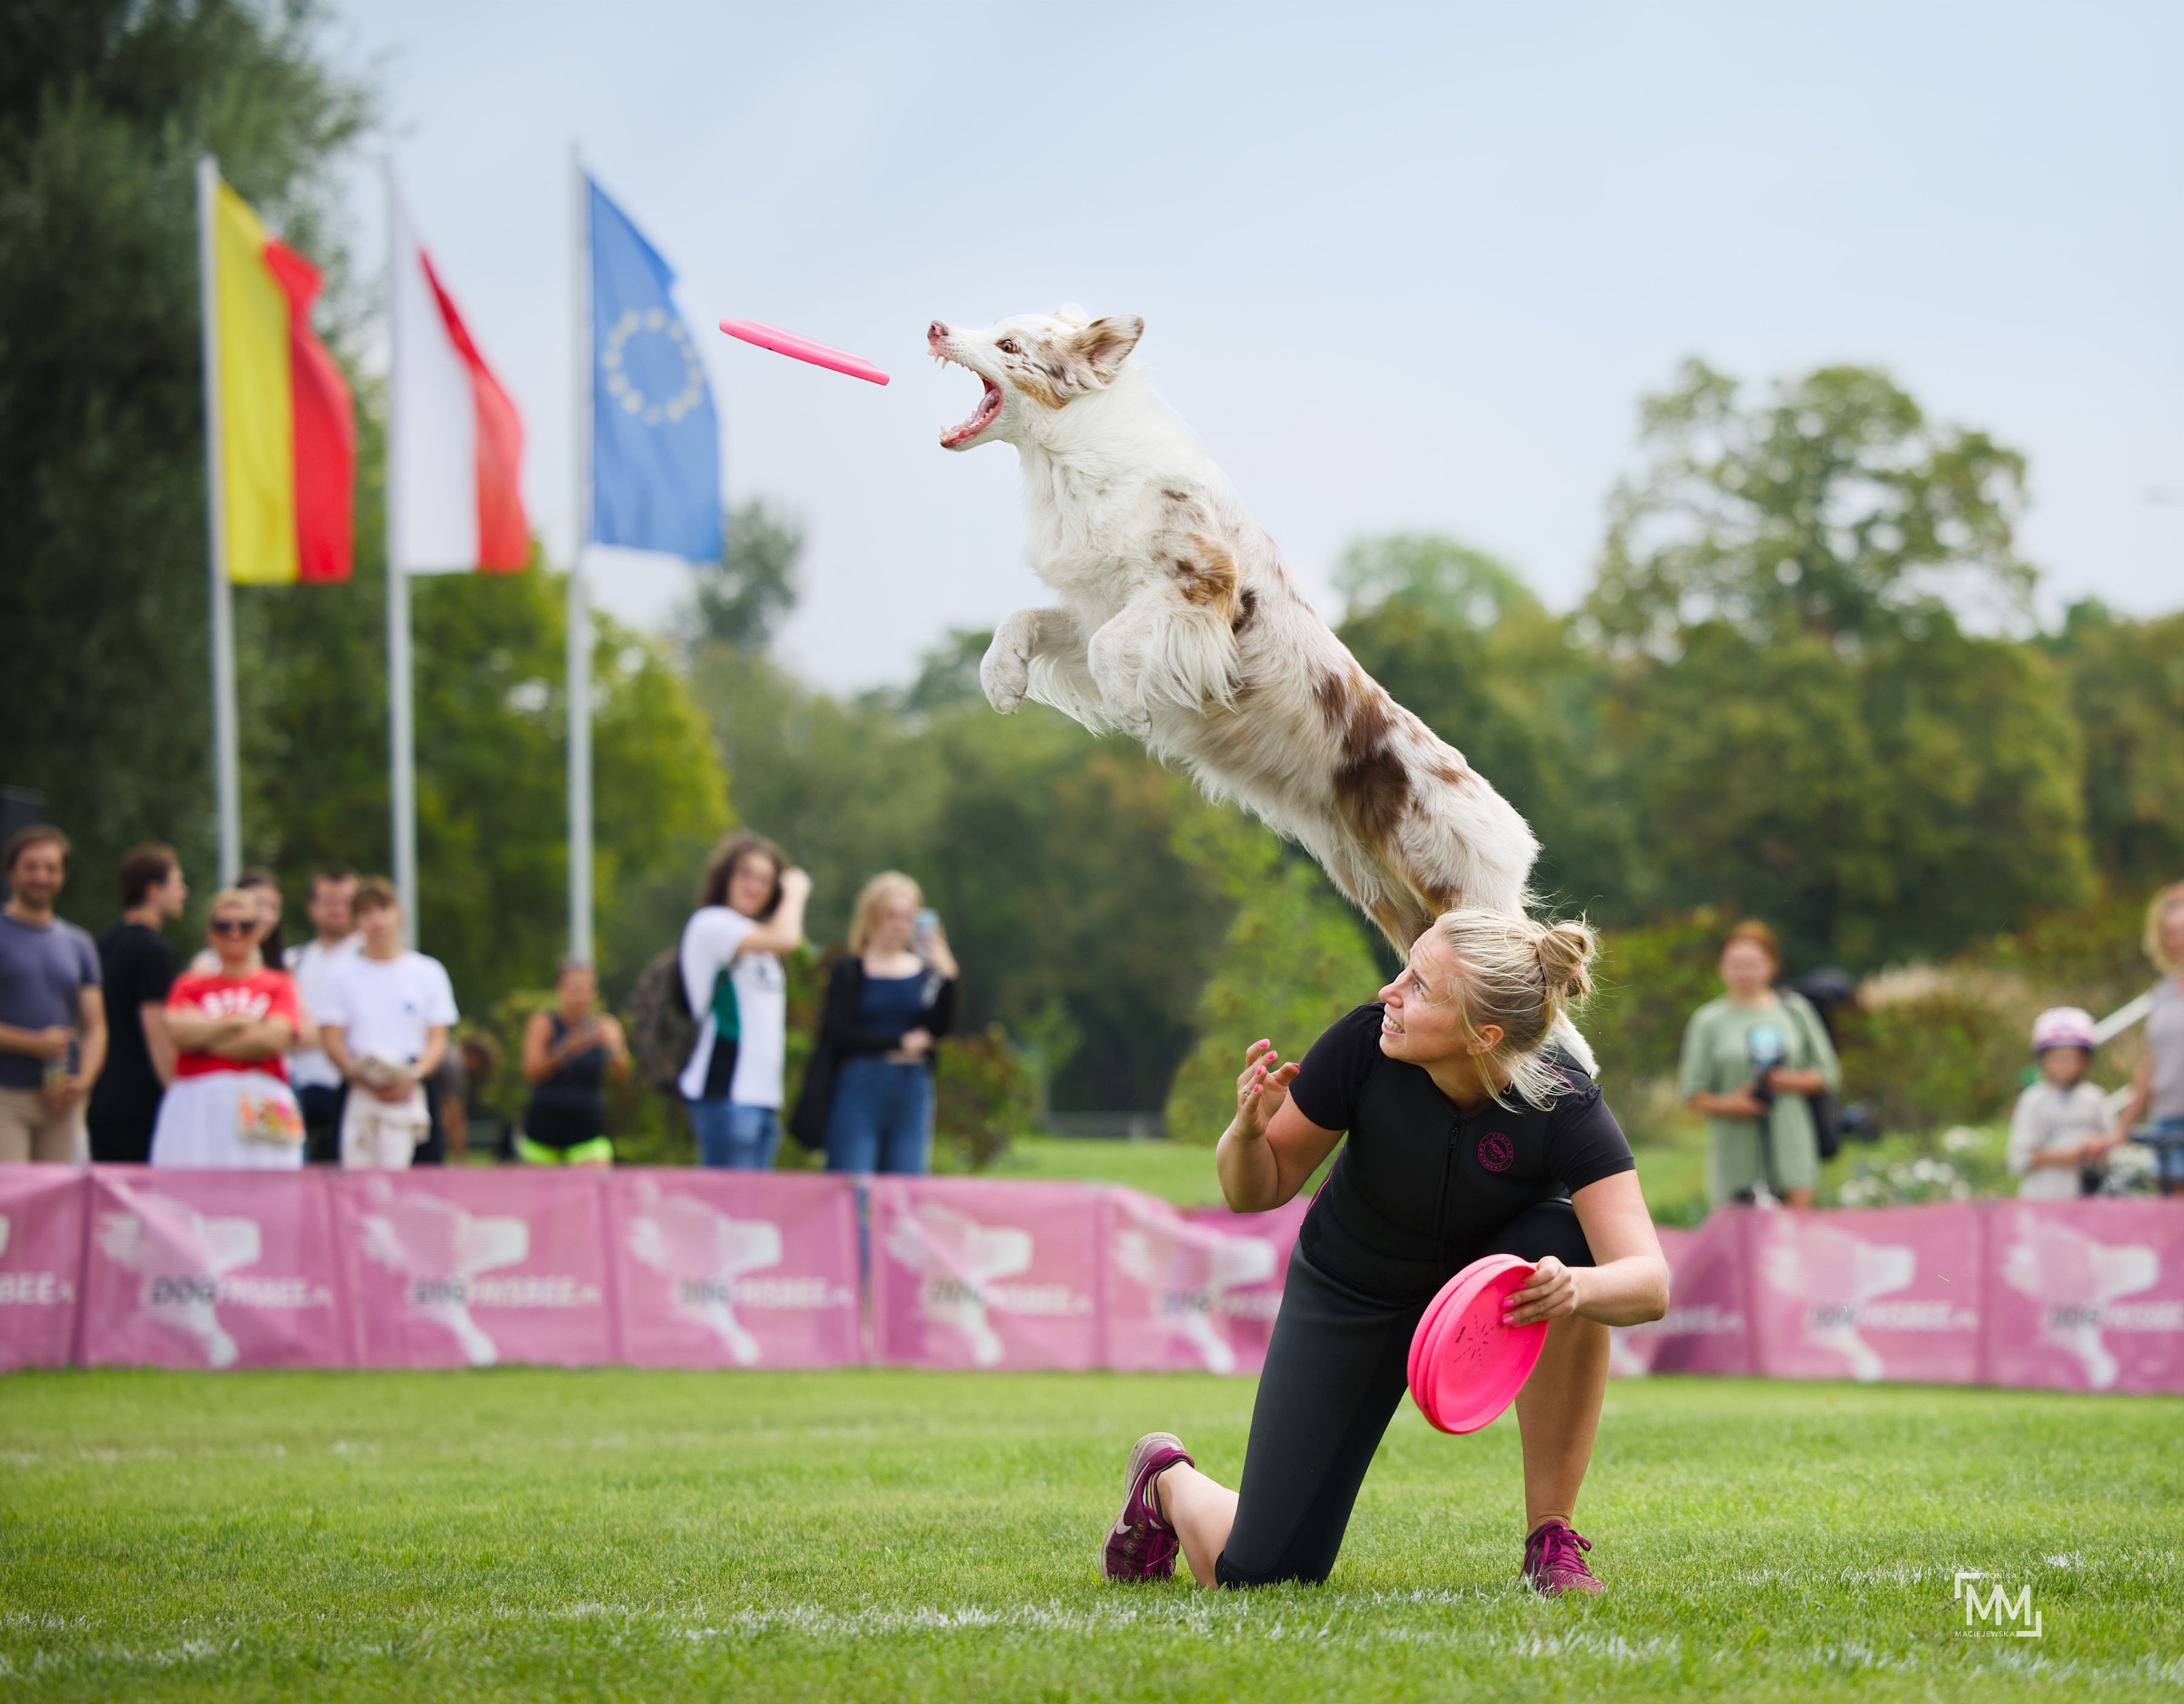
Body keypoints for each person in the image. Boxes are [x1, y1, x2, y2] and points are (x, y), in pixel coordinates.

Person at [1101, 909, 1668, 1596]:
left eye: (1419, 986)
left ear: (1482, 1035)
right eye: (1404, 971)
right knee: (1260, 1576)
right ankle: (1166, 1480)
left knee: (1570, 1248)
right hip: (1349, 1290)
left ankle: (1552, 1540)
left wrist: (1572, 1287)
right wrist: (1246, 1134)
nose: (1388, 993)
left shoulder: (1564, 1101)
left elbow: (1648, 1282)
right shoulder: (1362, 1044)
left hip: (1476, 1303)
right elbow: (1258, 1189)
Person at [796, 872, 959, 1176]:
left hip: (912, 1085)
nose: (899, 924)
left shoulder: (923, 973)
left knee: (905, 1184)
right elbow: (836, 1032)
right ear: (873, 917)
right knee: (854, 1180)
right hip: (861, 1083)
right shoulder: (850, 971)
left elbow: (939, 1028)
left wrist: (948, 976)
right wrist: (898, 1042)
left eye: (907, 917)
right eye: (892, 916)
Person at [1678, 920, 1841, 1209]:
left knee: (1794, 1231)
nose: (1744, 973)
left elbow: (1828, 1074)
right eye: (1736, 964)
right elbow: (1692, 1093)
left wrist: (1783, 1081)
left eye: (1752, 964)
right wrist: (1733, 1103)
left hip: (1792, 1144)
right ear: (1722, 967)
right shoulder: (1708, 1021)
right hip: (1735, 1153)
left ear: (1772, 965)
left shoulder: (1795, 1011)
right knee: (1739, 1232)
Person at [679, 832, 811, 1170]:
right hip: (727, 1094)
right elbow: (787, 938)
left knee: (753, 1203)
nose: (754, 886)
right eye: (746, 874)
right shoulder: (712, 923)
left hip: (763, 1098)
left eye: (765, 879)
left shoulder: (760, 945)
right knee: (727, 1202)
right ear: (726, 877)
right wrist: (796, 892)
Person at [147, 888, 305, 1168]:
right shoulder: (189, 984)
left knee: (267, 1182)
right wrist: (239, 1023)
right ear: (210, 933)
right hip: (197, 1100)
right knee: (192, 1179)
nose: (234, 933)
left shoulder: (279, 984)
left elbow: (273, 1039)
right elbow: (177, 1031)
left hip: (264, 1097)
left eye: (245, 926)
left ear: (259, 931)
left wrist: (204, 1035)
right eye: (224, 926)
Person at [317, 879, 457, 1171]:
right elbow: (332, 1041)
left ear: (399, 915)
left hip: (412, 1085)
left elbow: (437, 1039)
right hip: (360, 1084)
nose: (377, 921)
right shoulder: (342, 978)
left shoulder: (428, 973)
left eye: (384, 909)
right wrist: (363, 1078)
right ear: (357, 922)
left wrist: (412, 1076)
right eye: (366, 913)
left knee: (420, 1181)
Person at [0, 825, 106, 1164]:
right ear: (12, 872)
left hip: (59, 1098)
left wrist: (83, 1082)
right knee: (12, 1193)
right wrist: (33, 1044)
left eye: (51, 868)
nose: (41, 877)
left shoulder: (79, 944)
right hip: (7, 1095)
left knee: (56, 1195)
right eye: (31, 867)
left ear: (63, 875)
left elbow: (96, 1027)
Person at [87, 844, 187, 1163]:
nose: (183, 893)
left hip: (103, 1095)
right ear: (153, 891)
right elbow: (156, 1032)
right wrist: (177, 1093)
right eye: (177, 884)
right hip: (140, 1102)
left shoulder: (102, 944)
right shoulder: (152, 951)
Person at [518, 958, 630, 1167]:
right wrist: (564, 1052)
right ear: (560, 990)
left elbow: (624, 1075)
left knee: (595, 1182)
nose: (580, 995)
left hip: (588, 1131)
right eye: (574, 988)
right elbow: (531, 1072)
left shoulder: (606, 1026)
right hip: (543, 1131)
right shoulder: (543, 1023)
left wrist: (611, 1049)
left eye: (586, 988)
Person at [2110, 883, 2184, 1197]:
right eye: (2171, 933)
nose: (2179, 940)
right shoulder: (2163, 992)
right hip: (2168, 1120)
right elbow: (2152, 1064)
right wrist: (2123, 1129)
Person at [284, 865, 362, 1165]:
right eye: (329, 901)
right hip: (300, 1082)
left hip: (348, 1083)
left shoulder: (368, 959)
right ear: (312, 907)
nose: (337, 909)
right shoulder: (294, 961)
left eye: (346, 902)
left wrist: (305, 1036)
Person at [2006, 1007, 2114, 1199]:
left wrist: (2098, 1147)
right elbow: (2019, 1158)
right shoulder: (2033, 1100)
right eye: (2057, 1058)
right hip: (2042, 1202)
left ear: (2085, 1059)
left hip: (2088, 1202)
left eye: (2072, 1058)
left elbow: (2113, 1147)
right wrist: (2071, 1156)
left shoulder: (2095, 1098)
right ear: (2043, 1058)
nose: (2064, 1065)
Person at [185, 866, 285, 975]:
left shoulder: (287, 962)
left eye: (274, 907)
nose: (266, 916)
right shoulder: (207, 965)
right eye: (258, 904)